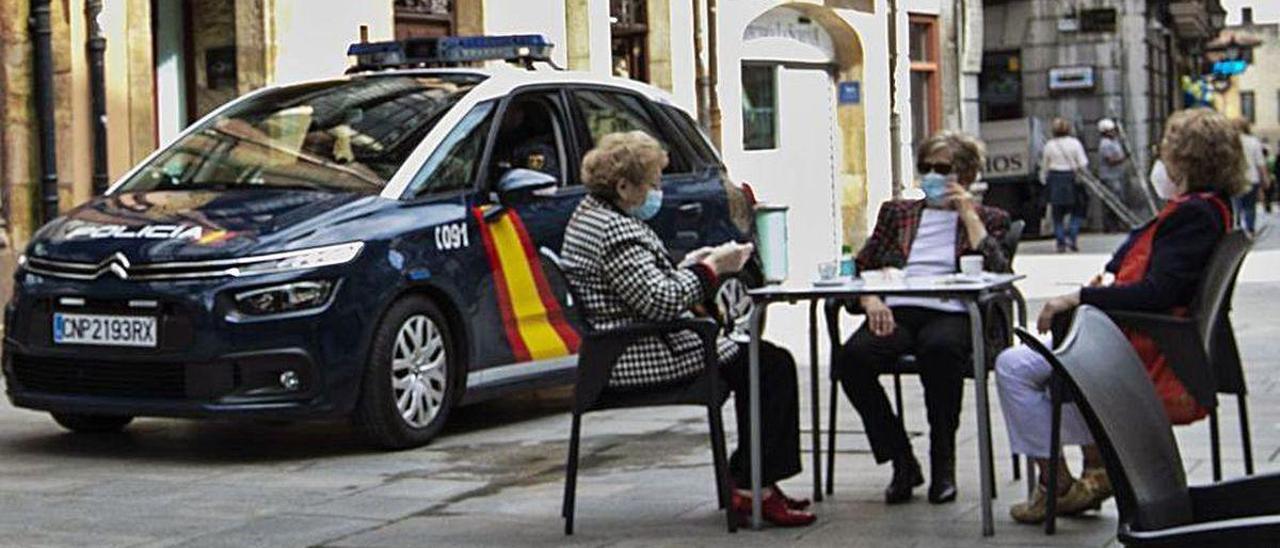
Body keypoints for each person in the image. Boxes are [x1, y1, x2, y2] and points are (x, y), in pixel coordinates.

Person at [995, 107, 1246, 525]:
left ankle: (1059, 485)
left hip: (1140, 351)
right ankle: (1087, 473)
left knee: (1013, 367)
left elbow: (1159, 292)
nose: (1160, 156)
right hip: (1136, 339)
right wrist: (1109, 281)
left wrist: (1078, 297)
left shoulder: (1194, 214)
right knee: (1026, 367)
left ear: (1188, 159)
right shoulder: (1206, 208)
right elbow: (1143, 263)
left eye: (1167, 148)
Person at [560, 131, 816, 527]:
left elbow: (640, 285)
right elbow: (658, 301)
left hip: (635, 341)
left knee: (763, 363)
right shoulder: (615, 232)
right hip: (641, 352)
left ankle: (752, 480)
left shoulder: (592, 215)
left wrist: (691, 266)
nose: (657, 192)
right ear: (625, 186)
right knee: (772, 367)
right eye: (652, 184)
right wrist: (713, 268)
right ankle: (752, 486)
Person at [832, 130, 1011, 505]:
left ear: (963, 174)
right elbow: (859, 266)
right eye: (924, 167)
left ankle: (943, 464)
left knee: (941, 350)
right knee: (853, 359)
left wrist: (967, 214)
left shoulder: (990, 217)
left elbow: (999, 271)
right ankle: (901, 459)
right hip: (897, 307)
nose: (930, 174)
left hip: (953, 309)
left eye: (940, 168)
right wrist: (869, 299)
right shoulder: (898, 213)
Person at [1040, 118, 1090, 252]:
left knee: (1057, 214)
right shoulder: (1075, 144)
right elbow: (1083, 164)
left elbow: (1045, 165)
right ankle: (1072, 236)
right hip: (1071, 179)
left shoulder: (1049, 145)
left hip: (1055, 178)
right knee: (1078, 210)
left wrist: (1044, 180)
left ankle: (1060, 241)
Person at [1235, 118, 1271, 232]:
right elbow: (1260, 163)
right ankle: (1250, 229)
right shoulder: (1254, 142)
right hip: (1252, 178)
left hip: (1235, 179)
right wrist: (1265, 178)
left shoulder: (1231, 142)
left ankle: (1237, 229)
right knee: (1250, 206)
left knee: (1236, 206)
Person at [1096, 119, 1128, 231]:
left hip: (1117, 175)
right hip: (1109, 176)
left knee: (1119, 200)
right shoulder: (1105, 144)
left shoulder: (1114, 141)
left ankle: (1117, 224)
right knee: (1113, 202)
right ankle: (1111, 226)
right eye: (1111, 130)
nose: (1114, 132)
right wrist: (1124, 158)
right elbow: (1110, 160)